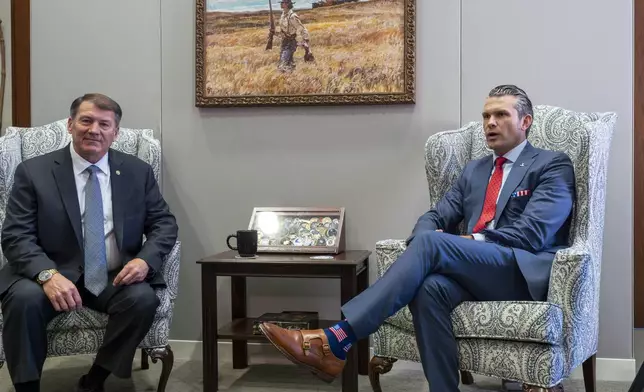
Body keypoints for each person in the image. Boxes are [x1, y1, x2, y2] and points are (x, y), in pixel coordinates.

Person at [260, 85, 576, 391]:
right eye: (486, 116)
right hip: (476, 271)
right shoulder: (475, 171)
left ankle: (337, 339)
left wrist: (463, 242)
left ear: (525, 122)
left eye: (501, 115)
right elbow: (435, 216)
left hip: (519, 271)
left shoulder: (551, 164)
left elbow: (533, 233)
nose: (490, 123)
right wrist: (429, 237)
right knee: (428, 289)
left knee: (430, 245)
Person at [0, 93, 178, 392]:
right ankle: (27, 387)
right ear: (70, 125)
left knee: (143, 299)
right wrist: (47, 275)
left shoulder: (137, 171)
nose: (94, 129)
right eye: (86, 120)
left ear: (115, 132)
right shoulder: (34, 171)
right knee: (23, 301)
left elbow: (164, 223)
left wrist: (145, 260)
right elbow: (16, 234)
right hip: (50, 272)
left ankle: (96, 379)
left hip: (111, 275)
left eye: (104, 124)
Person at [276, 0, 312, 72]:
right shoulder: (283, 15)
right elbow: (283, 29)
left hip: (291, 41)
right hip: (284, 41)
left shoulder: (292, 16)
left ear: (287, 4)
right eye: (281, 2)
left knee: (283, 62)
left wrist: (306, 40)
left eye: (283, 3)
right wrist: (275, 32)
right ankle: (291, 77)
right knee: (289, 62)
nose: (281, 4)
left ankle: (285, 75)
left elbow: (302, 28)